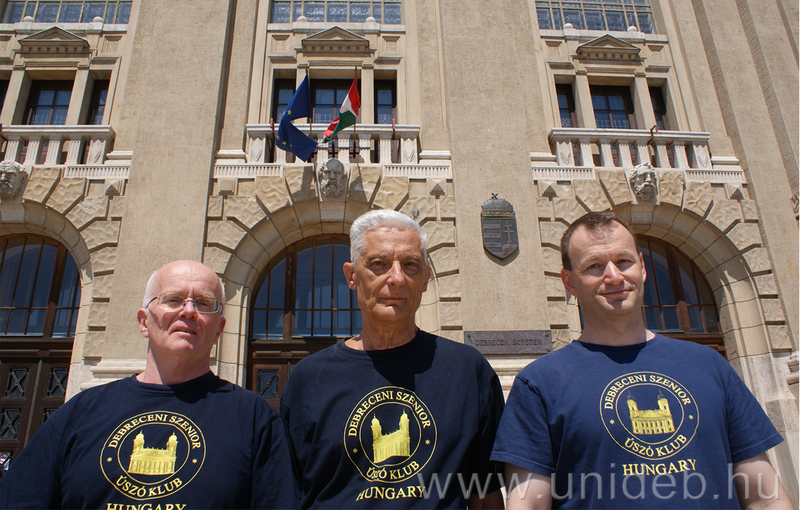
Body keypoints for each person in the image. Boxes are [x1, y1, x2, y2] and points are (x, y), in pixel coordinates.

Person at [491, 211, 792, 509]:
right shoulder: (540, 383)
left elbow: (765, 499)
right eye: (594, 266)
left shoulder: (710, 365)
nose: (614, 276)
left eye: (624, 261)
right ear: (569, 282)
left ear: (642, 267)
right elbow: (527, 505)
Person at [0, 260, 296, 509]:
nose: (188, 310)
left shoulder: (254, 418)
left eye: (204, 303)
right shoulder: (80, 412)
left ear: (218, 329)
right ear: (144, 322)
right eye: (173, 300)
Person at [280, 209, 505, 509]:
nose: (397, 278)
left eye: (410, 265)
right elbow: (287, 492)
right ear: (351, 276)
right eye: (379, 264)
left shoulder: (468, 372)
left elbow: (486, 494)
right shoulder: (308, 379)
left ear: (425, 279)